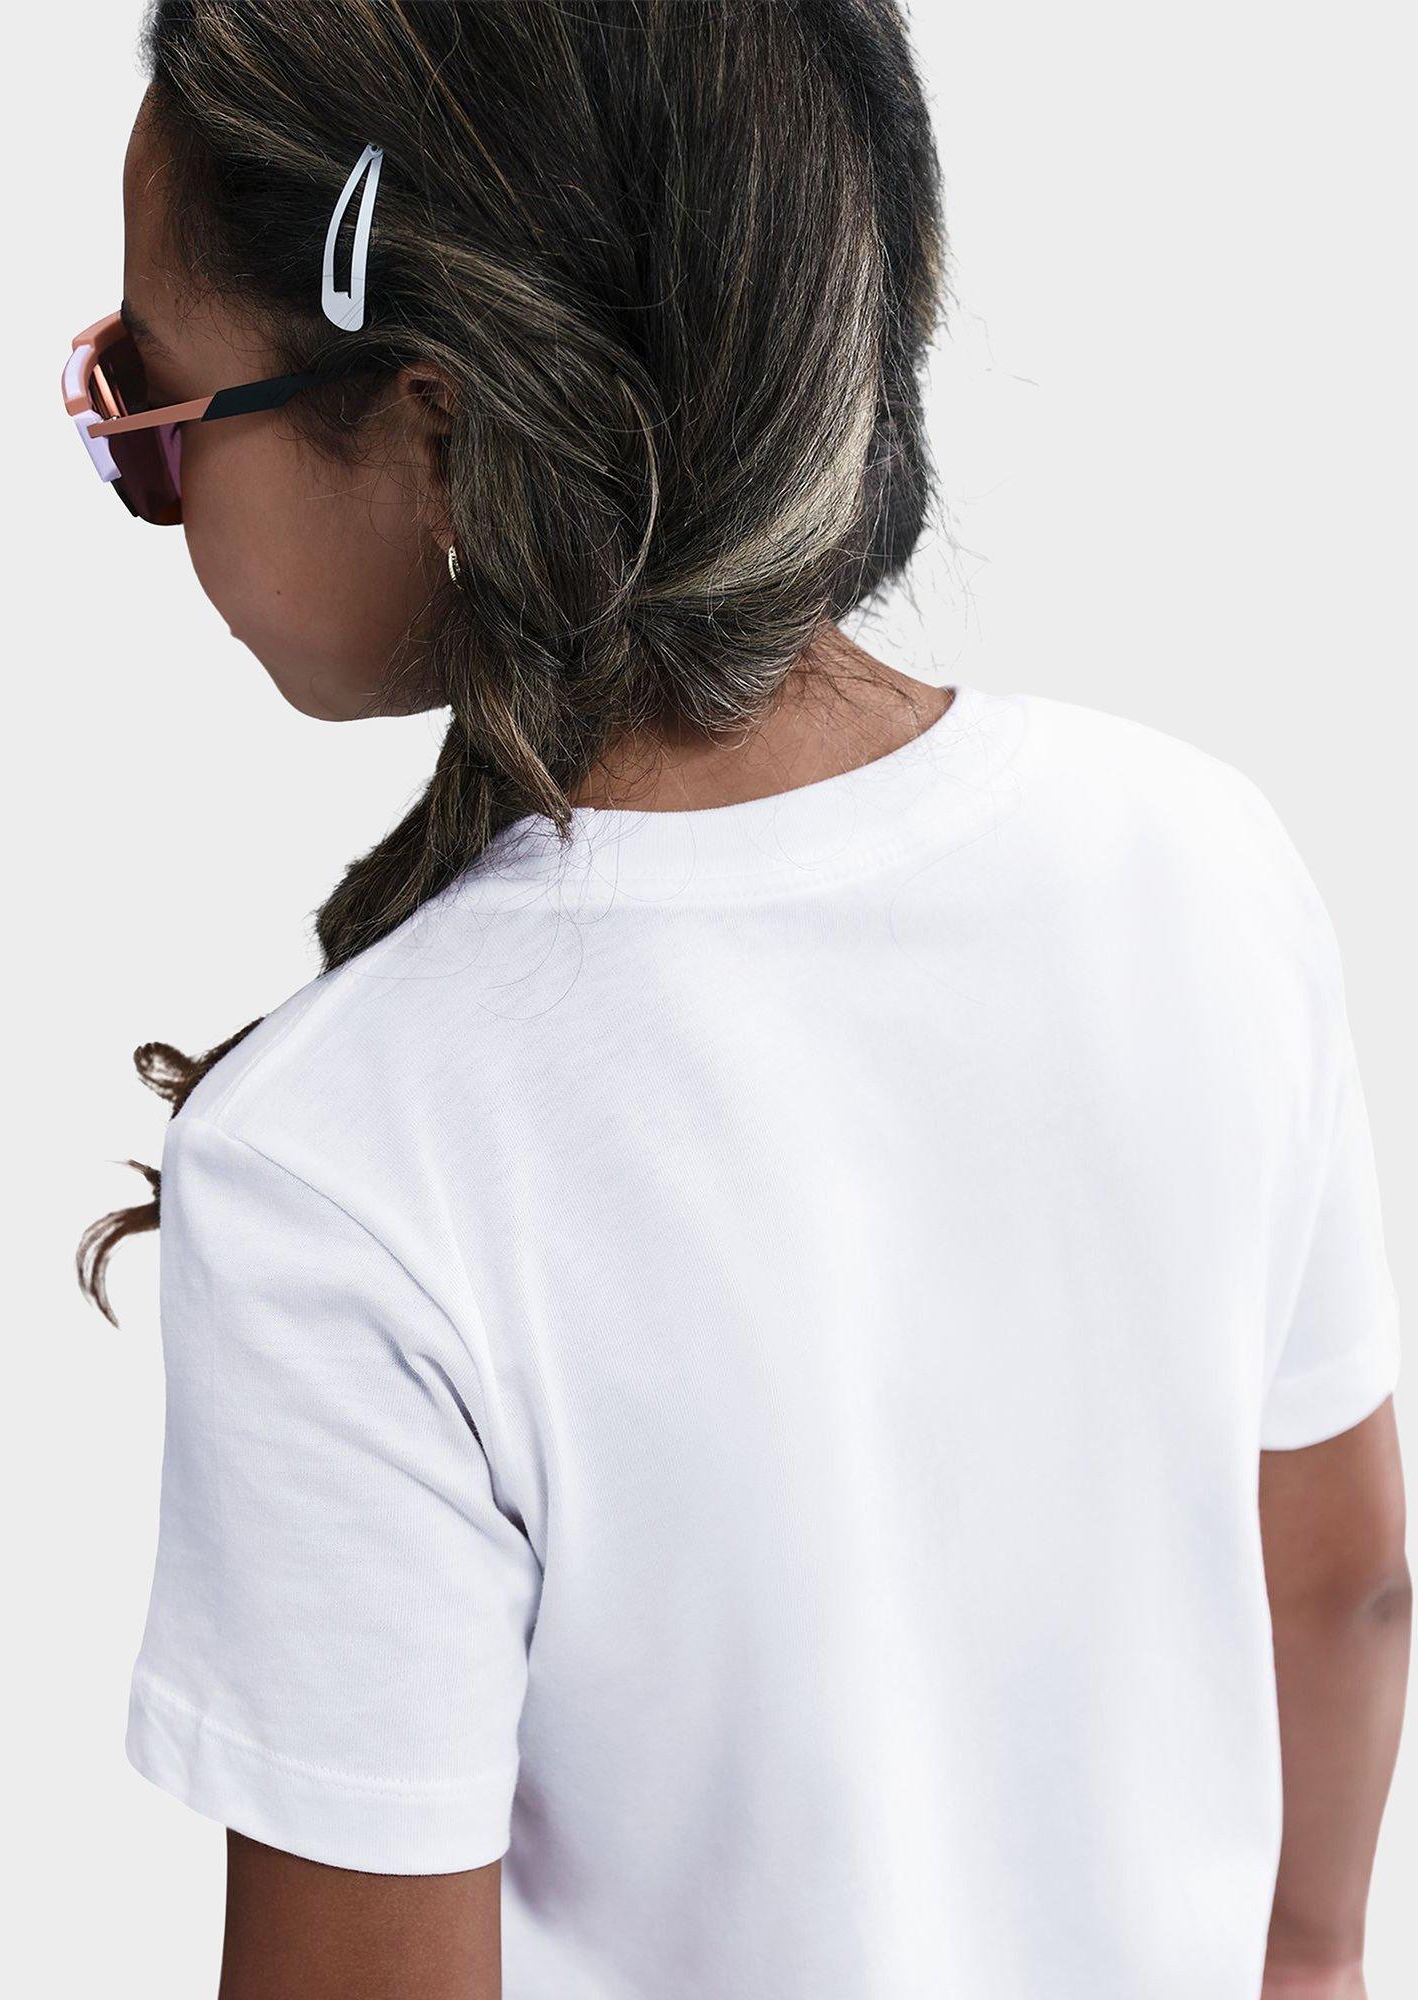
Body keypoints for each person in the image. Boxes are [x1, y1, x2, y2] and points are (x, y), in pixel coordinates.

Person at [68, 5, 1408, 1996]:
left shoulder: (337, 1165)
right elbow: (1350, 1588)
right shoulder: (1201, 857)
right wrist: (1307, 1959)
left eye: (149, 414)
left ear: (430, 424)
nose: (148, 484)